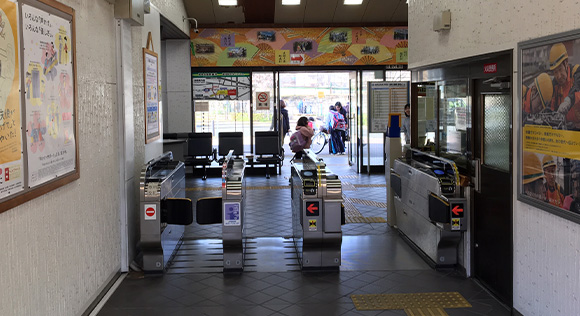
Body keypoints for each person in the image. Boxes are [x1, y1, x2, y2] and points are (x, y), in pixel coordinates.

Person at [549, 43, 574, 112]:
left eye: (560, 70)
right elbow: (552, 108)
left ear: (566, 63)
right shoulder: (554, 85)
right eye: (555, 72)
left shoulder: (576, 74)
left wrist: (568, 101)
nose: (559, 76)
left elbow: (576, 90)